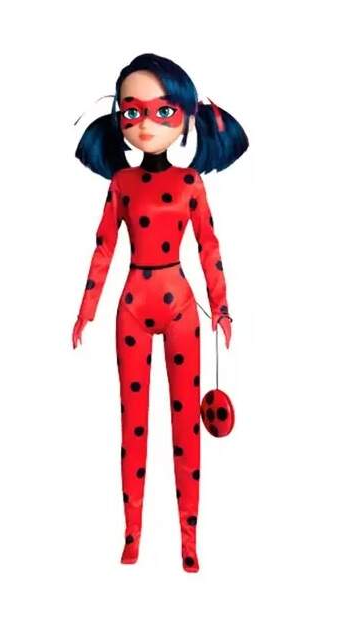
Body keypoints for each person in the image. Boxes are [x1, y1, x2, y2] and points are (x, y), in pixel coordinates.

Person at [72, 53, 248, 572]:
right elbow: (104, 248)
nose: (146, 123)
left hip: (179, 306)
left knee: (184, 423)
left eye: (163, 111)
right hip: (132, 304)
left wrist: (221, 306)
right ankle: (132, 534)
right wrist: (86, 309)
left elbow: (209, 247)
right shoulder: (121, 184)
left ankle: (189, 540)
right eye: (132, 111)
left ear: (187, 117)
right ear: (119, 119)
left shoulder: (191, 183)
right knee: (132, 423)